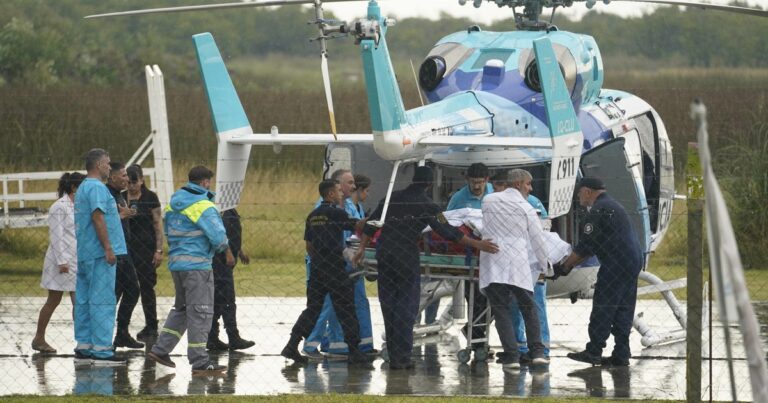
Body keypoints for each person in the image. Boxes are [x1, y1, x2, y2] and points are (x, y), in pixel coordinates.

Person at [353, 166, 499, 369]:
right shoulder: (429, 206)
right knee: (407, 305)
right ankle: (402, 358)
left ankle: (395, 355)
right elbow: (448, 231)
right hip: (406, 256)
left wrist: (361, 248)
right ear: (430, 184)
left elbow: (372, 223)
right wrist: (478, 244)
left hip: (384, 253)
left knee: (389, 303)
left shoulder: (392, 197)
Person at [148, 166, 232, 375]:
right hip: (197, 266)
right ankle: (200, 362)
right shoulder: (203, 205)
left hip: (177, 264)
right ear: (204, 182)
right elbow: (219, 238)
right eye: (209, 183)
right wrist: (226, 251)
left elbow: (167, 230)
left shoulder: (173, 203)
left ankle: (160, 350)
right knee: (201, 312)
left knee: (183, 310)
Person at [281, 179, 371, 365]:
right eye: (338, 190)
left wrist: (319, 261)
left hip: (317, 268)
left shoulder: (312, 216)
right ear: (330, 194)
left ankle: (292, 344)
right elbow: (357, 226)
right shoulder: (336, 212)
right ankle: (354, 351)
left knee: (313, 309)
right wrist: (373, 221)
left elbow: (309, 245)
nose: (341, 193)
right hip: (334, 267)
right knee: (346, 308)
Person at [557, 177, 644, 367]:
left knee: (604, 306)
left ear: (587, 191)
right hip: (632, 261)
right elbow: (592, 246)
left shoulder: (598, 211)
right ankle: (622, 353)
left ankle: (593, 350)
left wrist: (564, 267)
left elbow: (585, 247)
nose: (578, 197)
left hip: (615, 264)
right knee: (624, 307)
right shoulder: (613, 205)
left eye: (579, 193)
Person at [480, 169, 550, 369]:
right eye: (528, 184)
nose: (531, 188)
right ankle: (537, 352)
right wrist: (545, 265)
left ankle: (511, 357)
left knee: (501, 310)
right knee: (529, 308)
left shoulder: (489, 200)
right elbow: (537, 239)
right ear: (518, 184)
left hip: (493, 262)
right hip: (519, 262)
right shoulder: (526, 207)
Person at [303, 169, 374, 358]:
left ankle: (340, 345)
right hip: (328, 264)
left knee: (345, 305)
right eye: (349, 183)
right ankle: (310, 345)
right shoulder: (326, 209)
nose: (352, 186)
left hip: (342, 261)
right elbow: (353, 227)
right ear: (335, 188)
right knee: (324, 306)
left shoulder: (348, 205)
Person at [73, 148, 127, 365]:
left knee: (84, 300)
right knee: (103, 300)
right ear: (98, 165)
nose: (109, 166)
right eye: (107, 163)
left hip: (85, 251)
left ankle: (84, 346)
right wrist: (108, 248)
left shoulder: (84, 187)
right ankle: (103, 350)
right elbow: (97, 217)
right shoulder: (96, 187)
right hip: (98, 253)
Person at [32, 172, 86, 354]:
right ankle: (39, 338)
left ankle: (82, 341)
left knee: (78, 302)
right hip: (60, 262)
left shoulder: (79, 206)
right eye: (83, 187)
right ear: (73, 188)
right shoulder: (59, 207)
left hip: (76, 260)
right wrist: (62, 261)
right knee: (53, 300)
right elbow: (57, 237)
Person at [443, 163, 494, 349]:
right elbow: (445, 221)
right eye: (473, 182)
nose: (477, 186)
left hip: (492, 254)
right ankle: (477, 343)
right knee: (475, 299)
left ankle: (474, 333)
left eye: (480, 182)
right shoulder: (459, 198)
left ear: (487, 180)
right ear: (467, 181)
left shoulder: (494, 195)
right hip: (470, 255)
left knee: (496, 300)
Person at [105, 162, 143, 349]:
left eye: (127, 176)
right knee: (114, 295)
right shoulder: (106, 195)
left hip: (124, 249)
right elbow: (99, 221)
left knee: (131, 290)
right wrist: (120, 216)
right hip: (114, 252)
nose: (127, 179)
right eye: (123, 175)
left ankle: (121, 333)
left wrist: (126, 214)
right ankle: (107, 337)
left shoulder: (119, 195)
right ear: (112, 177)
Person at [206, 208, 255, 351]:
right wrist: (228, 253)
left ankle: (212, 338)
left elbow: (232, 236)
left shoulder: (230, 211)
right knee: (227, 300)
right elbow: (220, 235)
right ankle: (232, 337)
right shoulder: (221, 211)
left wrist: (239, 251)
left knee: (218, 300)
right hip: (219, 261)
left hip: (223, 262)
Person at [125, 164, 164, 341]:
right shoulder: (121, 197)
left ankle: (152, 325)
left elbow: (157, 225)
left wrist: (158, 250)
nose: (131, 186)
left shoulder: (150, 197)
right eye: (128, 182)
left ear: (141, 180)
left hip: (146, 249)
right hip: (126, 248)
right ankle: (122, 328)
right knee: (126, 288)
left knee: (147, 288)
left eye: (134, 182)